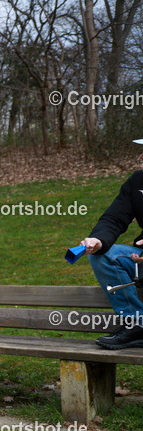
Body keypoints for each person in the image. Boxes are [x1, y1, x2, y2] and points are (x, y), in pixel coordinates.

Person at [80, 140, 143, 348]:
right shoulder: (137, 182)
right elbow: (114, 218)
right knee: (104, 254)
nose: (141, 156)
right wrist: (99, 239)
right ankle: (136, 324)